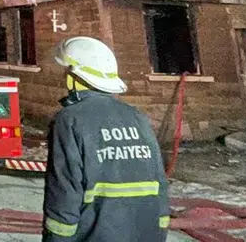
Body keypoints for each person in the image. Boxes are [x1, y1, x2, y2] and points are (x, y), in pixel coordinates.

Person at [42, 37, 170, 242]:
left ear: (73, 77)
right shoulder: (137, 117)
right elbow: (159, 180)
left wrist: (56, 238)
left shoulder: (70, 119)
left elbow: (65, 191)